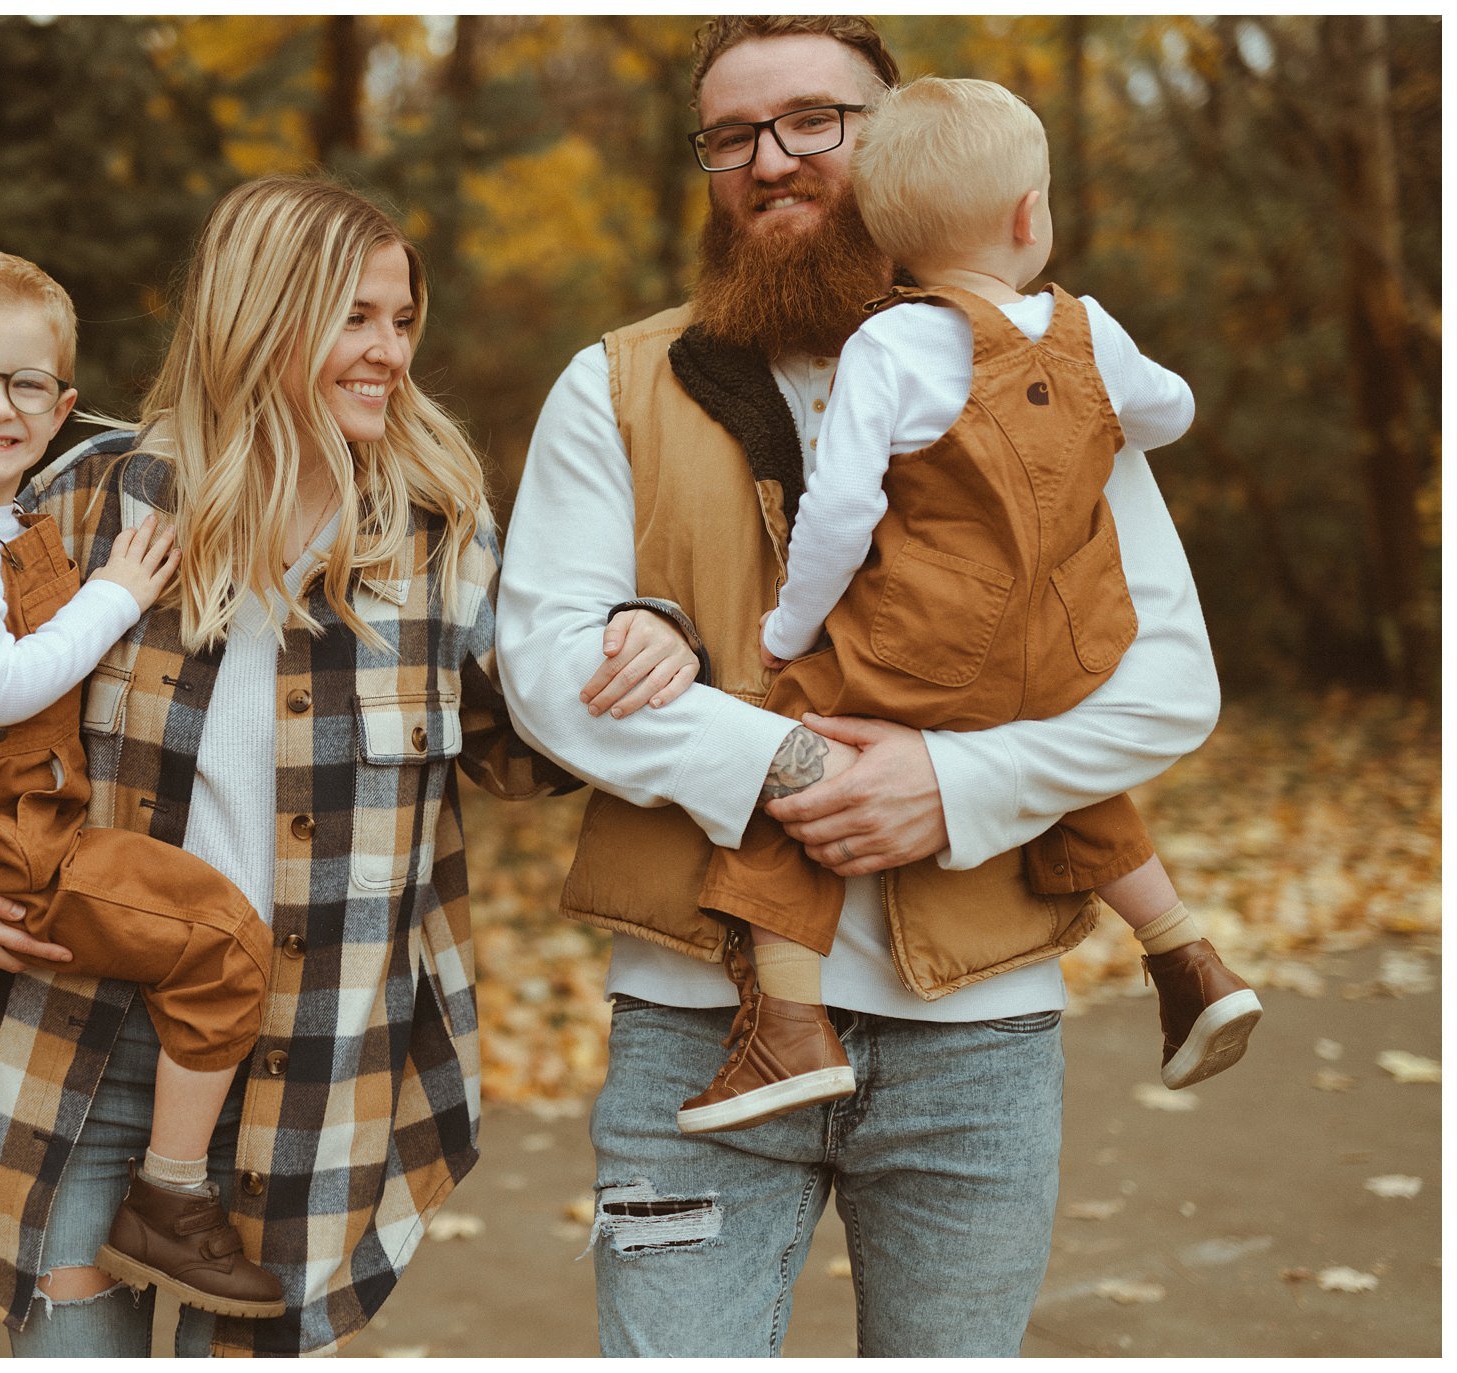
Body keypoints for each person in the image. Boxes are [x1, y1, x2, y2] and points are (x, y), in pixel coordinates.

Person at [0, 178, 697, 1356]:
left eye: (401, 320)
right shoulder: (91, 503)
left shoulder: (438, 533)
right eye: (353, 317)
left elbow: (528, 736)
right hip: (82, 1034)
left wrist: (644, 629)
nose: (388, 351)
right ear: (259, 314)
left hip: (319, 1051)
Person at [497, 16, 1220, 1358]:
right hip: (694, 1037)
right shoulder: (615, 386)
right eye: (733, 135)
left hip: (978, 1044)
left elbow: (1169, 684)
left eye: (814, 120)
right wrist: (797, 768)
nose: (771, 159)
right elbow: (545, 667)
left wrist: (951, 787)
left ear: (894, 142)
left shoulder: (1052, 373)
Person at [690, 76, 1260, 1132]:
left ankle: (788, 1028)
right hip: (1071, 646)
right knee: (1057, 762)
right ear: (1026, 216)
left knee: (785, 742)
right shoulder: (1092, 333)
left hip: (931, 645)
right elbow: (1169, 411)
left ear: (884, 237)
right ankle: (1185, 956)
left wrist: (790, 630)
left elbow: (838, 514)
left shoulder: (891, 345)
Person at [0, 249, 283, 1319]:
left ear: (62, 405)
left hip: (33, 824)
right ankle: (168, 1194)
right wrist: (116, 589)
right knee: (224, 943)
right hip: (19, 847)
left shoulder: (5, 519)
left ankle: (165, 1191)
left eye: (26, 384)